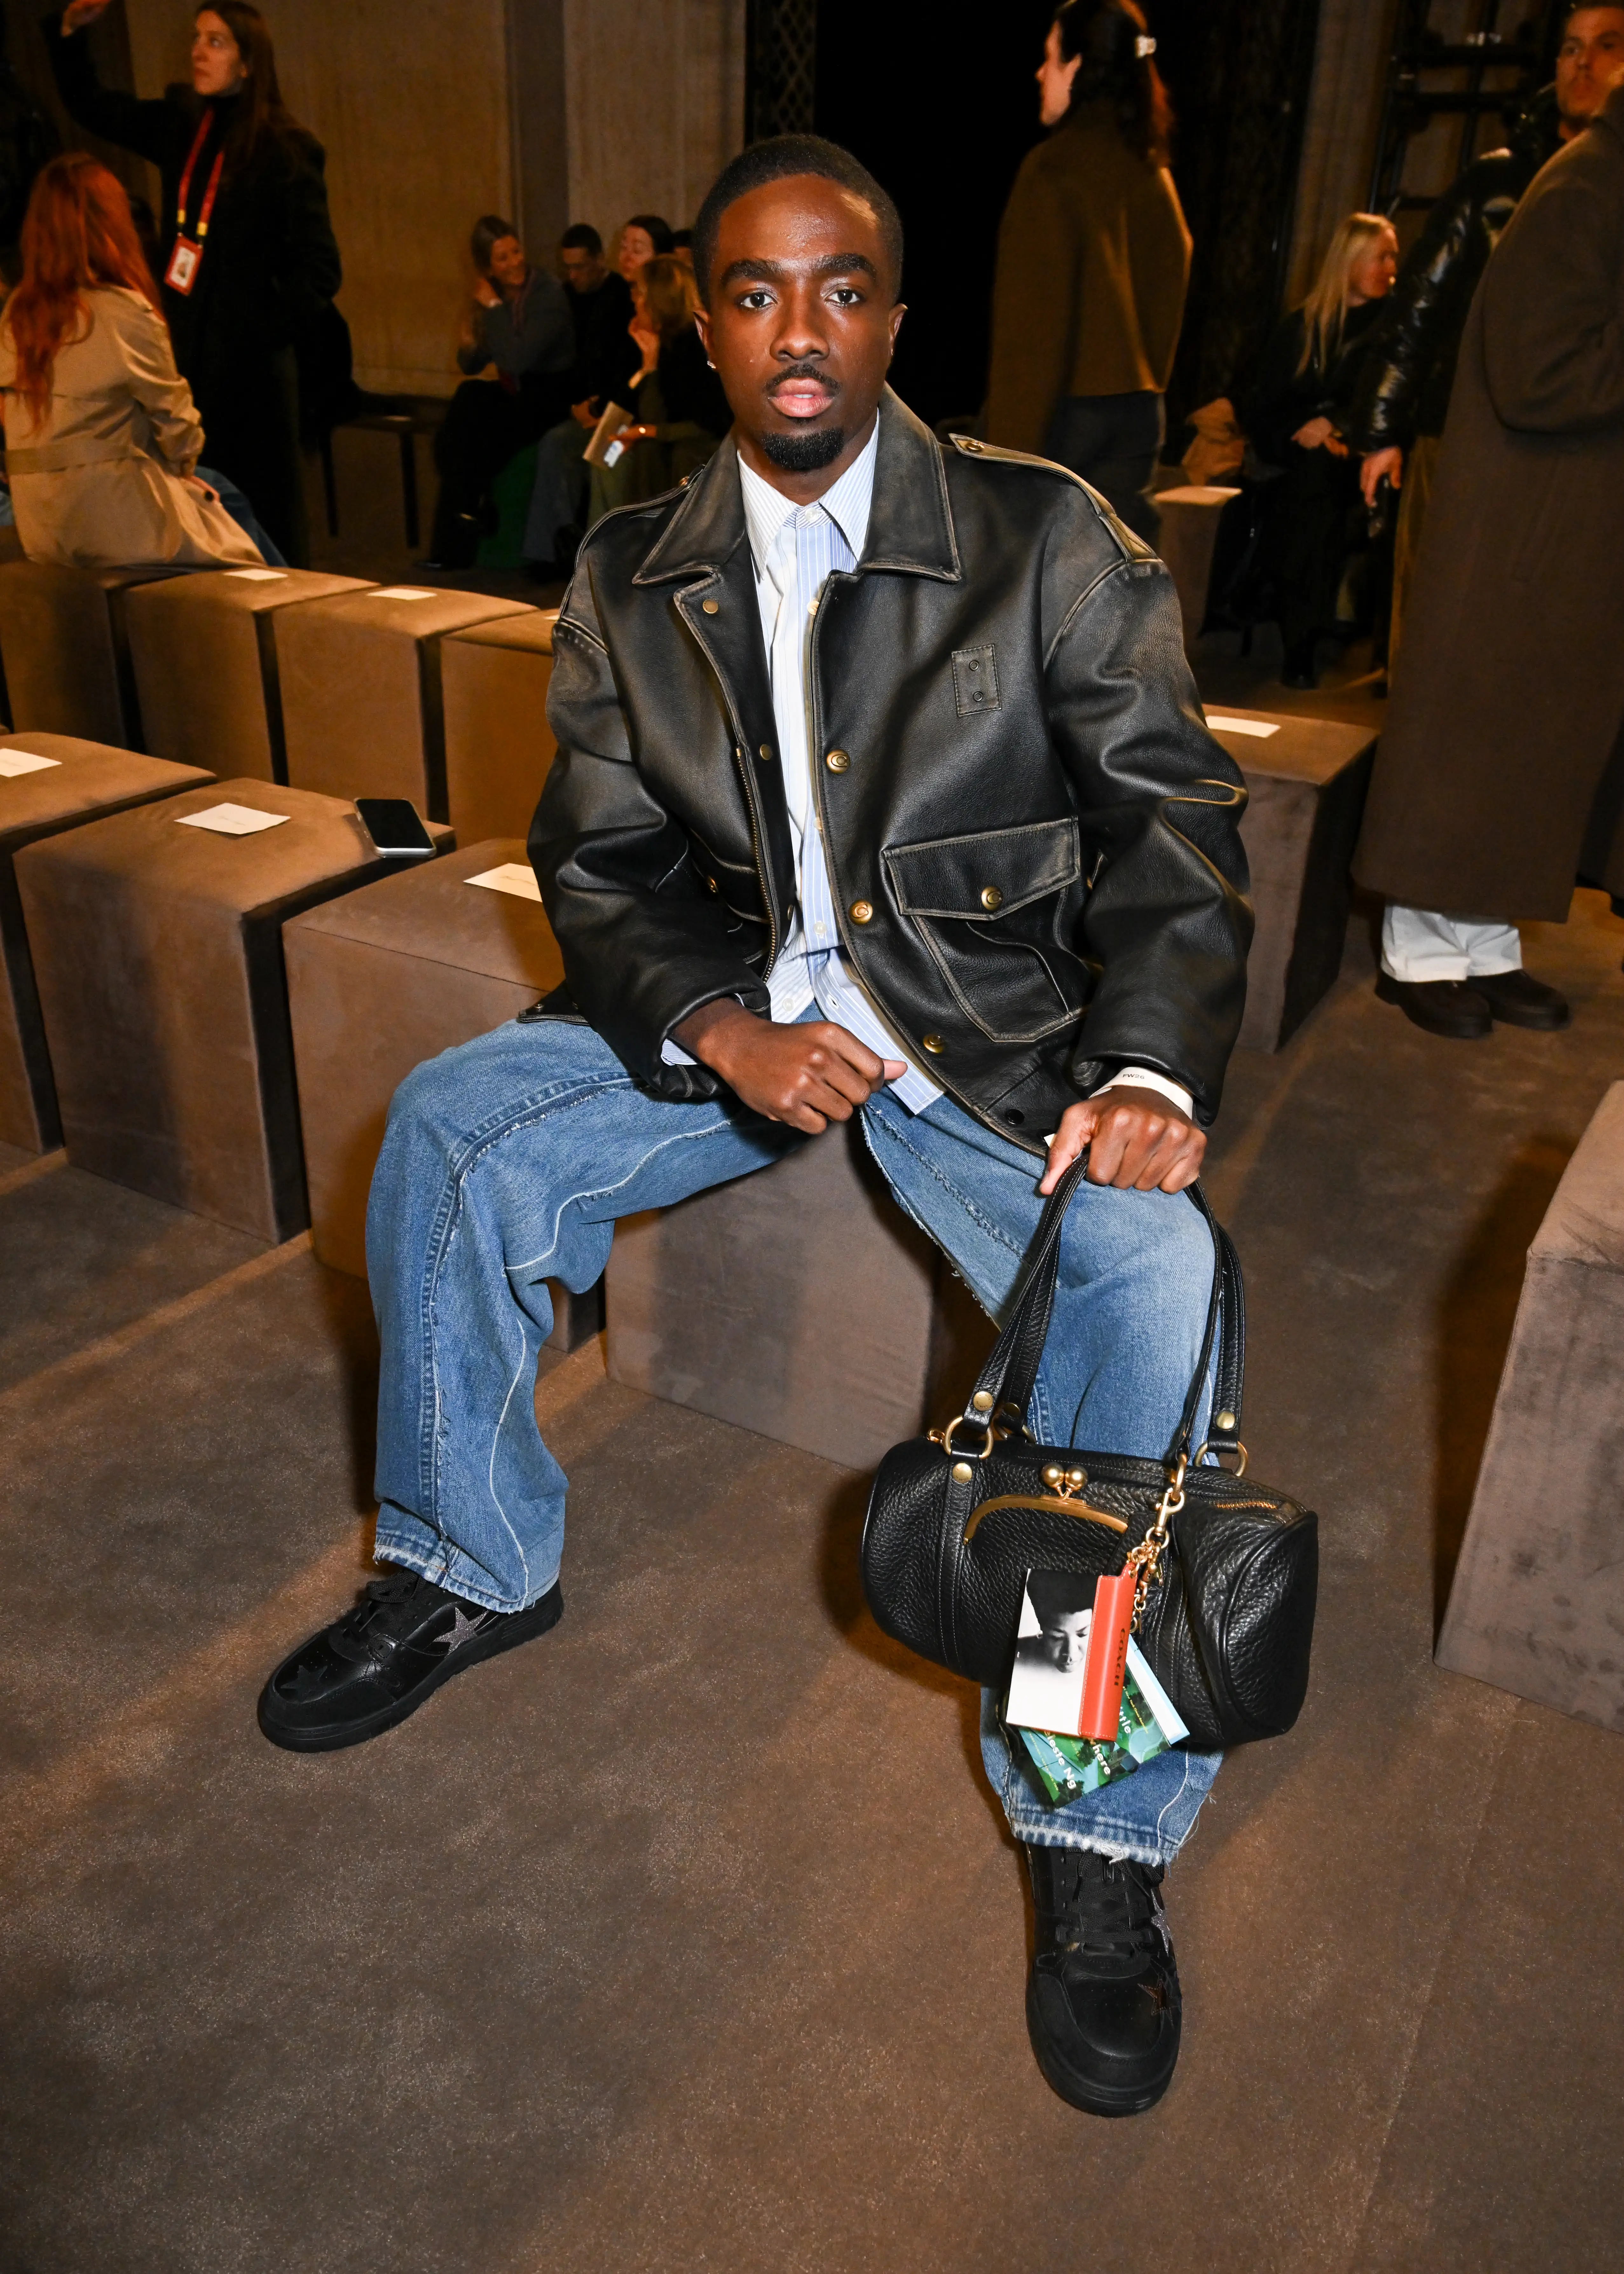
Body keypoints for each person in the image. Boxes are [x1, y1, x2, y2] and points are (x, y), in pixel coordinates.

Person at [255, 134, 1252, 2123]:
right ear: (697, 317)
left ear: (892, 313)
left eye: (839, 287)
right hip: (745, 1017)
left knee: (1156, 1271)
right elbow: (599, 860)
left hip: (992, 1042)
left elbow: (1170, 825)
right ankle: (469, 1557)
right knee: (457, 1121)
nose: (797, 329)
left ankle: (1095, 1819)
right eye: (752, 290)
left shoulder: (1047, 536)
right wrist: (713, 1021)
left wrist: (1139, 1071)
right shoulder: (635, 567)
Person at [1354, 73, 1624, 1039]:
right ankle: (1419, 949)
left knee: (1525, 753)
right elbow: (1534, 373)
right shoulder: (1585, 187)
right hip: (1517, 532)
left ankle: (1482, 942)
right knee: (1473, 744)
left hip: (1561, 534)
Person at [1351, 4, 1624, 668]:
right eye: (1567, 48)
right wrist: (1383, 431)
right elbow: (1420, 303)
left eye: (1605, 45)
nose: (1582, 63)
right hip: (1459, 434)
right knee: (1430, 635)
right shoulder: (1495, 180)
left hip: (1567, 457)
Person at [46, 0, 341, 567]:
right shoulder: (182, 124)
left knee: (265, 514)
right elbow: (93, 107)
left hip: (253, 373)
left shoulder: (288, 149)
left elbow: (321, 270)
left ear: (249, 62)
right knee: (198, 506)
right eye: (196, 38)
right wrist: (68, 35)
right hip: (185, 357)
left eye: (215, 42)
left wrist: (257, 329)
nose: (197, 52)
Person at [983, 0, 1189, 546]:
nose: (1039, 73)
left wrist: (1001, 471)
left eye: (1048, 58)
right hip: (1141, 416)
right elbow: (1177, 267)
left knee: (1032, 606)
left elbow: (1029, 347)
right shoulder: (1150, 170)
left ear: (1076, 69)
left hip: (1064, 421)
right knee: (1114, 597)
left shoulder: (1052, 169)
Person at [0, 153, 265, 568]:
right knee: (227, 503)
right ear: (111, 223)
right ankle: (290, 616)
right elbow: (179, 430)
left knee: (215, 490)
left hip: (43, 522)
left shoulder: (16, 313)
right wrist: (181, 468)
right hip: (114, 518)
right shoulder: (120, 311)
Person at [1240, 213, 1398, 688]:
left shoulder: (1392, 329)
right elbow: (1264, 405)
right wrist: (1303, 429)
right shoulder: (1303, 327)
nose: (1392, 267)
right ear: (1349, 261)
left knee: (1317, 486)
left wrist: (1338, 425)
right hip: (1298, 456)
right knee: (1309, 483)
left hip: (1366, 458)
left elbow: (1384, 400)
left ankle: (1300, 637)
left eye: (1394, 256)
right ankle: (1300, 635)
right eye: (1382, 256)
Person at [426, 214, 573, 569]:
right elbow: (472, 364)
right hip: (516, 392)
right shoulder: (494, 296)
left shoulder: (548, 294)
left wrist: (493, 309)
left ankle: (462, 531)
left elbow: (517, 357)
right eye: (503, 258)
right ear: (488, 266)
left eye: (516, 252)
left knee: (480, 434)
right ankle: (466, 515)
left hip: (550, 395)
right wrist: (472, 328)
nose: (514, 263)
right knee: (468, 397)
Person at [523, 220, 639, 577]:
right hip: (588, 407)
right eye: (568, 267)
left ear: (599, 260)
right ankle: (550, 553)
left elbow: (625, 371)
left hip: (623, 416)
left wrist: (599, 408)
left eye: (580, 267)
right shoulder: (566, 298)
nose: (573, 275)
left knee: (604, 454)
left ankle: (597, 563)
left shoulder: (622, 298)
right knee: (555, 444)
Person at [585, 252, 731, 520]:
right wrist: (647, 365)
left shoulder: (696, 347)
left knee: (627, 456)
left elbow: (710, 422)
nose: (634, 301)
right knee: (607, 454)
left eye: (640, 294)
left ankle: (632, 548)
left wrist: (647, 431)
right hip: (651, 436)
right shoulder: (655, 339)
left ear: (659, 300)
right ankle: (601, 550)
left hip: (691, 444)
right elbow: (627, 401)